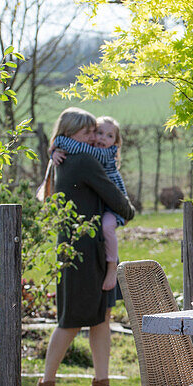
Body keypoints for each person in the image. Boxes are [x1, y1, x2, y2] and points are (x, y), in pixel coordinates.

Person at [34, 108, 136, 386]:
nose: (94, 136)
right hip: (82, 253)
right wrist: (124, 211)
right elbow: (122, 206)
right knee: (70, 322)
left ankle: (101, 385)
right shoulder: (83, 161)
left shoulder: (62, 158)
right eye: (88, 132)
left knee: (100, 320)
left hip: (86, 250)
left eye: (96, 131)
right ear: (73, 133)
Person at [49, 115, 128, 291]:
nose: (101, 139)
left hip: (115, 202)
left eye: (109, 136)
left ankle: (112, 268)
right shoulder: (90, 150)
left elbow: (76, 147)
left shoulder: (104, 152)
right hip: (103, 201)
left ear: (116, 142)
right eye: (98, 132)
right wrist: (54, 153)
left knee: (107, 226)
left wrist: (58, 143)